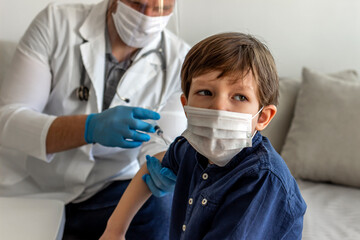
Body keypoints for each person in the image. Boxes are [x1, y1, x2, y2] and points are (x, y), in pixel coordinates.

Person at [0, 0, 189, 239]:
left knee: (164, 208)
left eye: (162, 8)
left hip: (110, 189)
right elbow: (8, 122)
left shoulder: (181, 61)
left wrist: (164, 164)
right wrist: (88, 128)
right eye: (137, 4)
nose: (148, 16)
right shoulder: (56, 22)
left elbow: (160, 140)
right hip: (33, 185)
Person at [100, 32, 307, 240]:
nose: (219, 107)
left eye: (239, 96)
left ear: (262, 116)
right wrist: (114, 231)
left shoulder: (261, 179)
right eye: (206, 92)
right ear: (186, 105)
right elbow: (155, 163)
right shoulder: (191, 147)